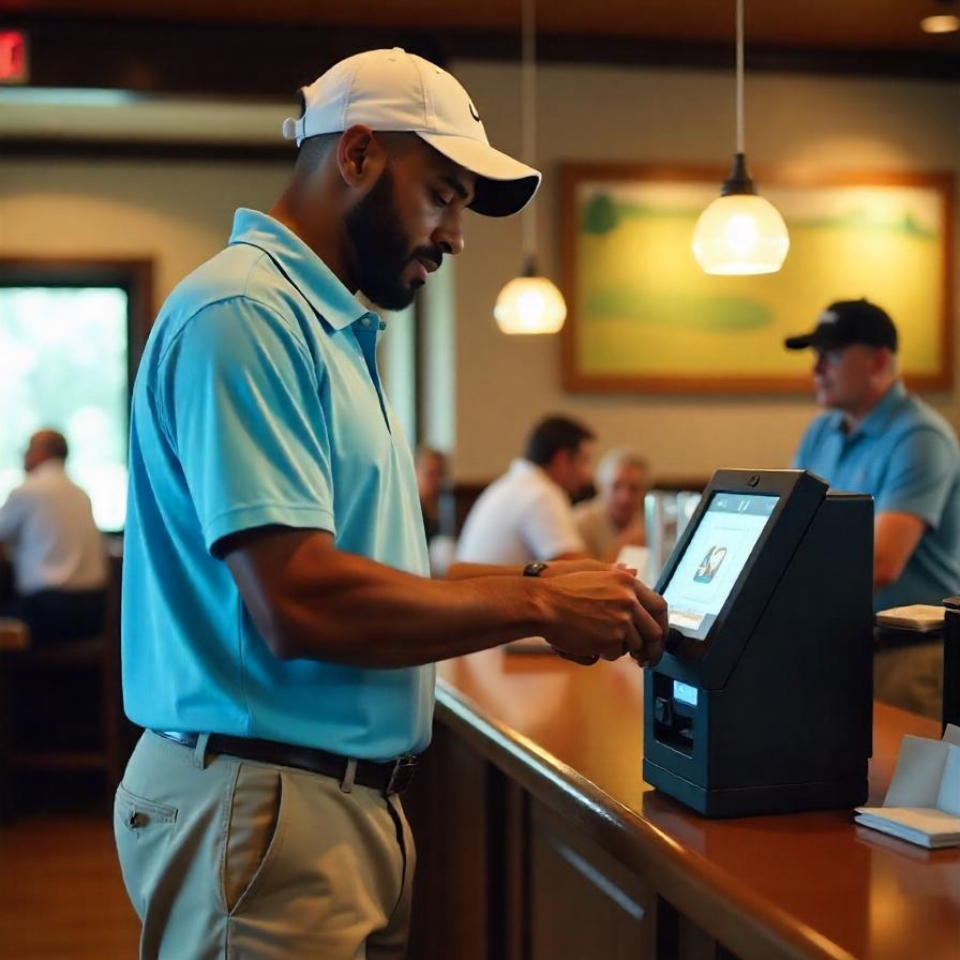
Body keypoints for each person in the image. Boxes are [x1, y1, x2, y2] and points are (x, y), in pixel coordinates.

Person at [114, 48, 668, 960]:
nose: (455, 236)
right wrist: (534, 604)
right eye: (442, 195)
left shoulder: (327, 325)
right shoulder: (247, 312)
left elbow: (364, 571)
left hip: (322, 802)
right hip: (264, 799)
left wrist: (539, 580)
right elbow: (298, 600)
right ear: (359, 153)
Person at [785, 298, 960, 719]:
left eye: (831, 355)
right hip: (841, 649)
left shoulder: (919, 438)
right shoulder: (821, 431)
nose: (816, 369)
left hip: (911, 656)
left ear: (878, 361)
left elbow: (880, 563)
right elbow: (786, 530)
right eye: (815, 355)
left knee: (897, 767)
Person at [0, 428, 107, 643]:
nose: (24, 455)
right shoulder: (81, 493)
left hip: (47, 611)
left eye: (28, 449)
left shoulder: (28, 490)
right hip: (94, 610)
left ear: (42, 453)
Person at [454, 415, 595, 566]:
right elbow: (580, 570)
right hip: (492, 583)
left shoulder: (511, 486)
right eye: (584, 461)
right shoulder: (541, 495)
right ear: (561, 459)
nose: (587, 474)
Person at [574, 449, 649, 562]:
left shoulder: (649, 522)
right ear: (600, 487)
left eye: (634, 489)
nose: (625, 497)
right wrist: (624, 546)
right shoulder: (581, 523)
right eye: (616, 486)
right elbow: (579, 571)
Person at [414, 444, 448, 544]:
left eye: (440, 474)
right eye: (430, 474)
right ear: (415, 473)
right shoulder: (408, 512)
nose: (436, 480)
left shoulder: (444, 507)